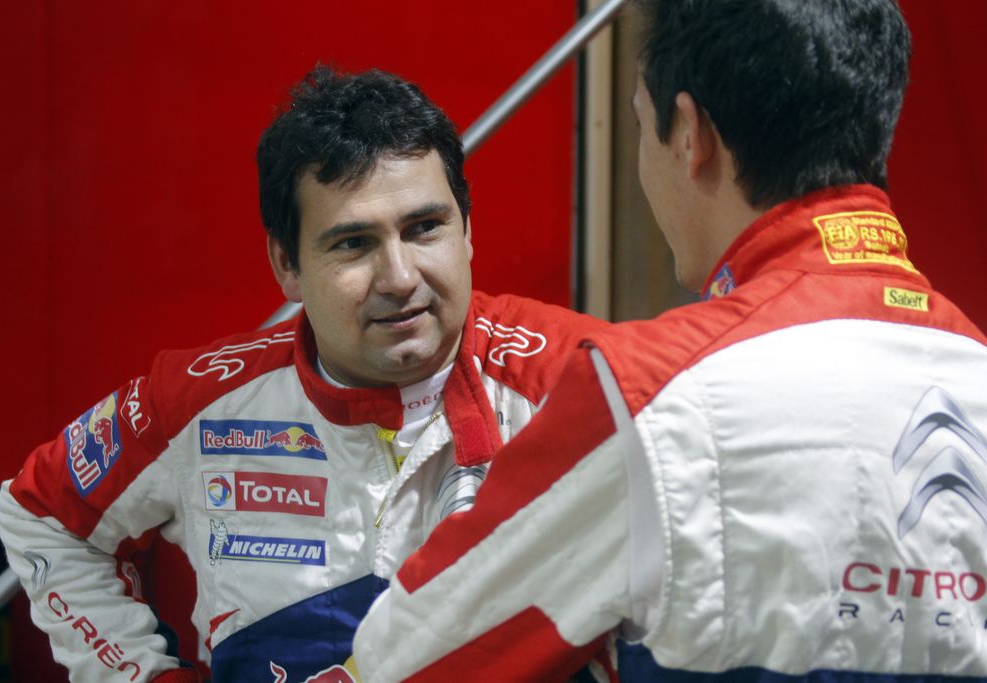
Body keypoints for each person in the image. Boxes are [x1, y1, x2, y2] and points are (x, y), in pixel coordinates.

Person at [353, 0, 987, 680]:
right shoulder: (973, 367)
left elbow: (407, 659)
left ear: (689, 133)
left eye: (638, 123)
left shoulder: (646, 391)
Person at [0, 66, 606, 683]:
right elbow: (41, 514)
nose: (400, 278)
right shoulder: (197, 404)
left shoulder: (580, 383)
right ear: (287, 265)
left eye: (425, 228)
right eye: (354, 243)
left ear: (467, 230)